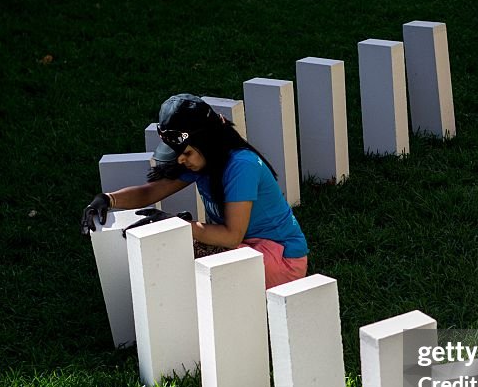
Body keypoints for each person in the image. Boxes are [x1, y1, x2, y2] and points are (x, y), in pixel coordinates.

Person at [82, 94, 309, 289]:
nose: (180, 159)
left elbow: (232, 236)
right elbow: (150, 193)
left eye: (186, 153)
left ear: (207, 141)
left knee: (179, 266)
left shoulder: (242, 166)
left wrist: (175, 225)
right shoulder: (205, 161)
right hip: (247, 247)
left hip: (281, 259)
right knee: (171, 257)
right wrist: (107, 199)